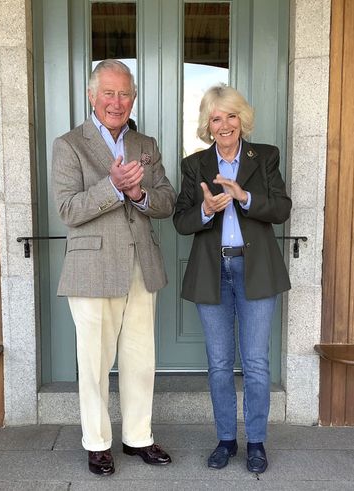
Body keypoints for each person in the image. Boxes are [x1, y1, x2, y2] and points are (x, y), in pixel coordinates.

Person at [52, 59, 176, 476]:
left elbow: (166, 201)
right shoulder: (70, 144)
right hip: (92, 269)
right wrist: (113, 187)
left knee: (141, 359)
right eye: (108, 92)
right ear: (92, 96)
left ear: (134, 97)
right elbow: (68, 209)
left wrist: (140, 192)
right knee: (94, 361)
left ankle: (138, 436)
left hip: (142, 265)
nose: (117, 101)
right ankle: (97, 442)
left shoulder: (146, 144)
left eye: (124, 93)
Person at [173, 84, 291, 474]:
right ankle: (226, 439)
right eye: (216, 118)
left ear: (243, 119)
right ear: (208, 125)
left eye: (231, 116)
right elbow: (180, 221)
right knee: (220, 364)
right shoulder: (195, 165)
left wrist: (245, 198)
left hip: (255, 269)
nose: (225, 125)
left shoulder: (266, 157)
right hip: (213, 271)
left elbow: (282, 209)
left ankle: (256, 442)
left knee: (256, 363)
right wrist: (205, 210)